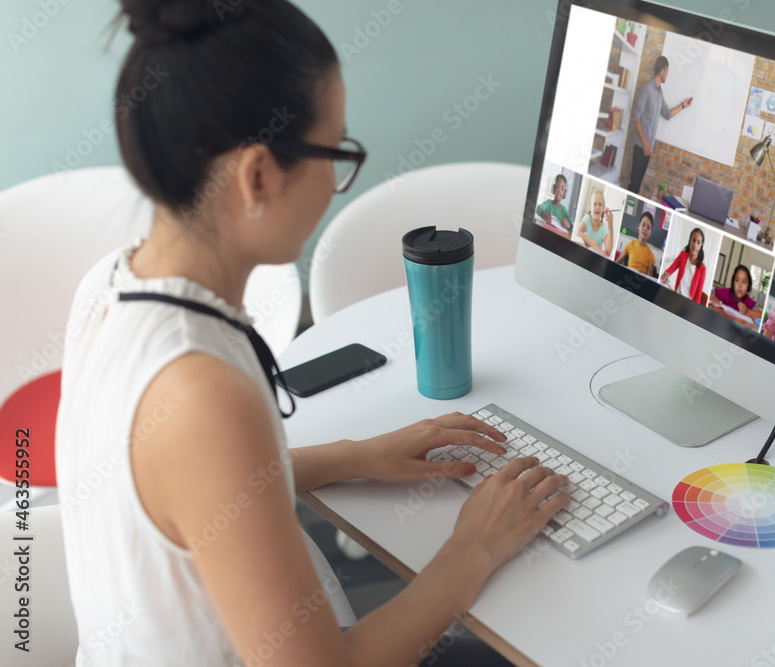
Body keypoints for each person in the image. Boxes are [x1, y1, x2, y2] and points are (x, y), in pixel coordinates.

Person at [55, 2, 569, 666]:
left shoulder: (107, 286)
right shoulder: (201, 391)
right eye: (336, 152)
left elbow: (195, 490)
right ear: (258, 174)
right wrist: (475, 547)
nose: (335, 182)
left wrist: (357, 454)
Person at [628, 56, 693, 195]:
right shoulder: (647, 89)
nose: (667, 74)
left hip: (648, 148)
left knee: (638, 184)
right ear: (662, 70)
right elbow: (636, 118)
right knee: (634, 184)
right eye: (667, 71)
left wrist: (683, 105)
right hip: (641, 147)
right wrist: (645, 142)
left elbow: (667, 114)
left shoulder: (660, 93)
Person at [660, 227, 706, 302]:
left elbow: (698, 297)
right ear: (690, 241)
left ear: (701, 246)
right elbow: (670, 270)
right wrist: (665, 274)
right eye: (693, 240)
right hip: (676, 297)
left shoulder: (702, 269)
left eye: (698, 242)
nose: (695, 244)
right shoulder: (682, 256)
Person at [571, 189, 614, 257]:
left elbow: (608, 252)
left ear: (603, 209)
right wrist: (594, 244)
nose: (597, 207)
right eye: (594, 204)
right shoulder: (587, 219)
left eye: (600, 204)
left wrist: (610, 226)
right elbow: (578, 233)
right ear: (590, 208)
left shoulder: (604, 227)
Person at [615, 211, 657, 276]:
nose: (645, 229)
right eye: (643, 225)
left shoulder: (650, 255)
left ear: (650, 233)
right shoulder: (630, 245)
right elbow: (618, 261)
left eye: (648, 227)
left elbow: (649, 279)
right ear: (639, 226)